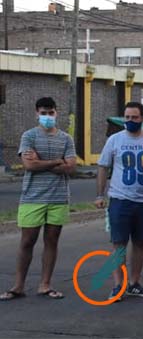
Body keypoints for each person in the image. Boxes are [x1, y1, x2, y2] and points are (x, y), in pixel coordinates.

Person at [1, 97, 76, 301]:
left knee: (51, 241)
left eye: (50, 113)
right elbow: (29, 166)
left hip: (58, 197)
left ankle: (45, 284)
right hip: (32, 197)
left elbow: (71, 167)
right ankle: (18, 286)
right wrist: (56, 161)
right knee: (27, 241)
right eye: (43, 113)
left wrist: (42, 161)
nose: (47, 117)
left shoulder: (66, 139)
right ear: (36, 113)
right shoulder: (29, 136)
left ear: (56, 113)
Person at [95, 102, 143, 302]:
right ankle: (118, 285)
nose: (130, 121)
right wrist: (100, 195)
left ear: (142, 118)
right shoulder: (114, 140)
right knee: (118, 244)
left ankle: (134, 283)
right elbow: (103, 166)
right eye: (127, 117)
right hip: (120, 199)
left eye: (134, 117)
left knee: (139, 243)